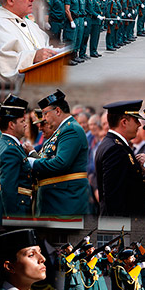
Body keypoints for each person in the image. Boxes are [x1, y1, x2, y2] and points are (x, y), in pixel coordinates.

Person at [27, 89, 89, 217]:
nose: (44, 119)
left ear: (57, 111)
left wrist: (32, 162)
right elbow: (46, 158)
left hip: (64, 202)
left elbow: (61, 163)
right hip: (54, 201)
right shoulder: (60, 130)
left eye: (45, 114)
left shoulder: (70, 129)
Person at [0, 101, 33, 225]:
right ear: (11, 124)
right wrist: (14, 219)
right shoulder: (10, 149)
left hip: (0, 210)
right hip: (7, 214)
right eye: (22, 121)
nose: (26, 125)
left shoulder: (3, 143)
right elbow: (9, 189)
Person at [95, 100, 145, 216]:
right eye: (136, 120)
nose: (139, 124)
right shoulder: (115, 149)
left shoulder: (114, 145)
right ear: (124, 122)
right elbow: (113, 196)